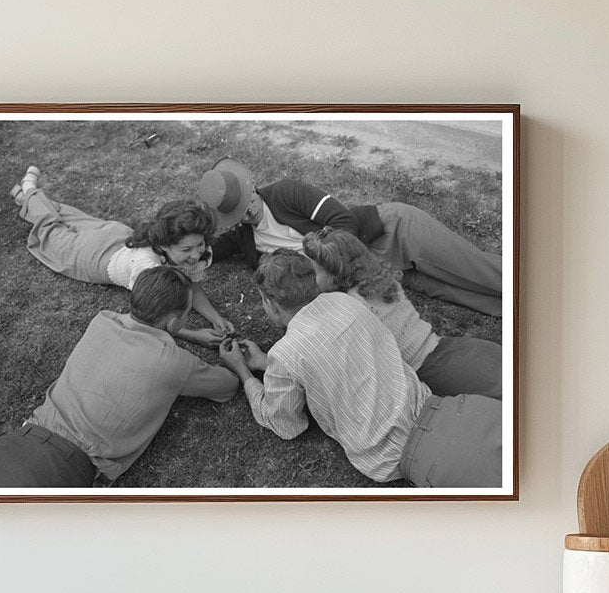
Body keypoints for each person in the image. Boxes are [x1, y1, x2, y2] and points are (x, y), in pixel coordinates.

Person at [217, 251, 502, 488]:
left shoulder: (286, 353)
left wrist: (244, 373)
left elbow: (287, 425)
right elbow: (332, 353)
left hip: (410, 455)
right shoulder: (345, 302)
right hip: (456, 410)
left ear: (270, 303)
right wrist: (266, 362)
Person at [0, 267, 239, 488]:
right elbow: (227, 387)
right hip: (64, 468)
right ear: (173, 322)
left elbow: (145, 328)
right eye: (187, 314)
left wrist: (184, 334)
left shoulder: (103, 319)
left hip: (13, 443)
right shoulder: (173, 362)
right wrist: (235, 363)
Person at [199, 157, 503, 317]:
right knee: (452, 292)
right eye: (239, 215)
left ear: (251, 187)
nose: (249, 214)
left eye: (249, 203)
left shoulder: (285, 192)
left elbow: (343, 220)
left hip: (390, 233)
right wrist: (192, 253)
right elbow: (212, 248)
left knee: (477, 270)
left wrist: (330, 270)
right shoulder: (244, 238)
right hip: (373, 274)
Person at [13, 166, 239, 345]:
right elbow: (150, 321)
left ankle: (26, 199)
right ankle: (28, 189)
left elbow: (195, 289)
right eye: (186, 250)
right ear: (164, 245)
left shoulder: (195, 255)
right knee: (50, 231)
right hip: (95, 258)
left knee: (68, 215)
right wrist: (196, 336)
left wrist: (216, 318)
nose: (196, 255)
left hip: (116, 236)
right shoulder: (147, 269)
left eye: (199, 244)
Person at [300, 227, 502, 399]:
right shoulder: (380, 280)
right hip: (453, 347)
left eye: (314, 272)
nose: (309, 277)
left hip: (430, 370)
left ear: (335, 274)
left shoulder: (350, 307)